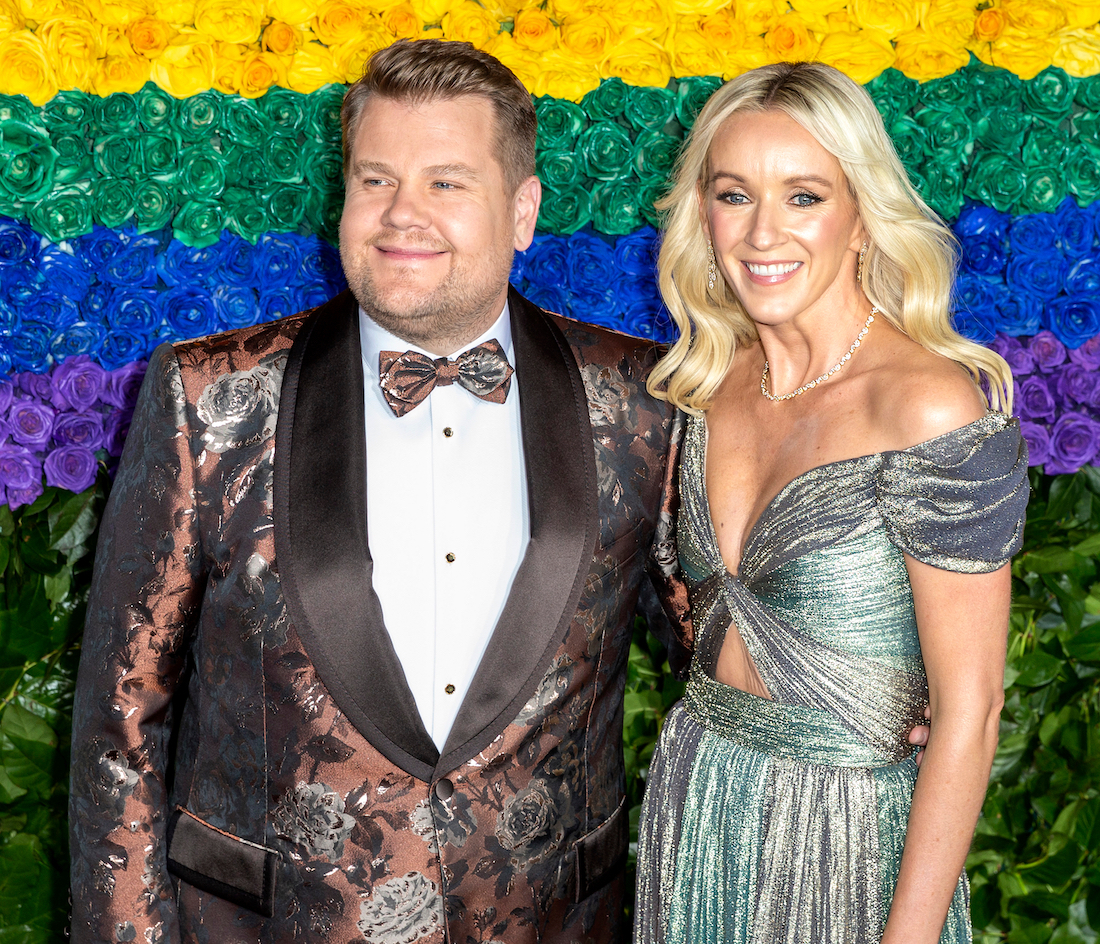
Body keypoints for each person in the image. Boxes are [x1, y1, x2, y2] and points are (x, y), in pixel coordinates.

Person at [68, 39, 691, 944]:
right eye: (376, 180)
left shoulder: (646, 401)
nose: (403, 213)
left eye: (446, 182)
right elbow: (120, 725)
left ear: (523, 212)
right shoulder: (208, 400)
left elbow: (717, 659)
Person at [634, 62, 1029, 944]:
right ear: (704, 213)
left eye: (804, 196)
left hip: (850, 837)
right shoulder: (708, 384)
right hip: (701, 805)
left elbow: (970, 715)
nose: (761, 232)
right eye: (734, 195)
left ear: (861, 217)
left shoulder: (926, 406)